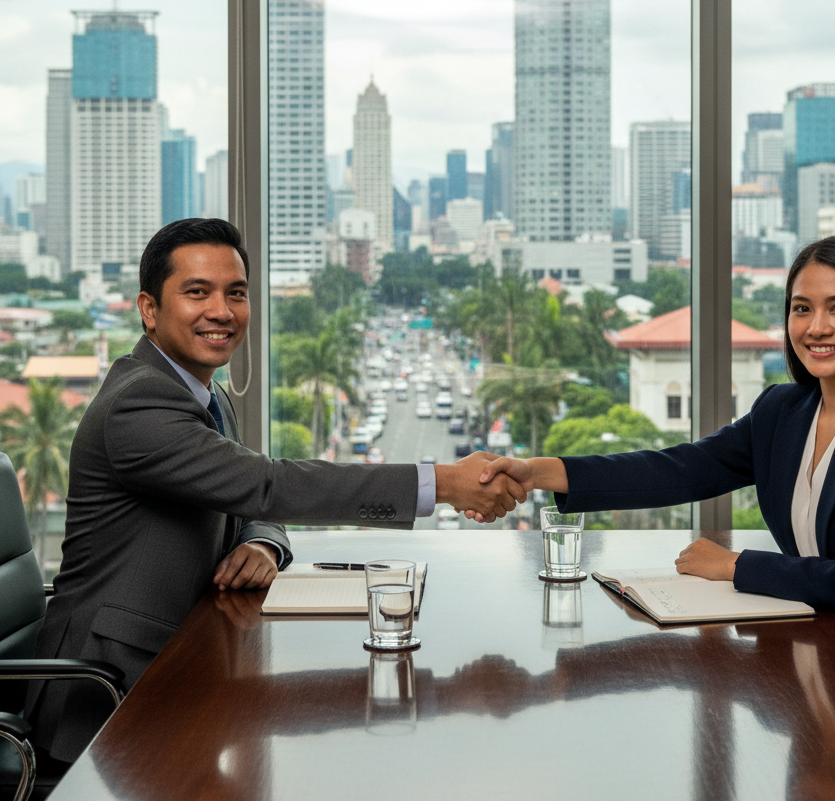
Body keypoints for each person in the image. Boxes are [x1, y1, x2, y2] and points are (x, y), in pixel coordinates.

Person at [29, 218, 525, 762]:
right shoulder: (139, 404)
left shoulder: (206, 394)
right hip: (107, 694)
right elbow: (268, 484)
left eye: (235, 294)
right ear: (149, 308)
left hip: (189, 660)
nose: (222, 311)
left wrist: (263, 543)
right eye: (197, 292)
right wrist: (445, 484)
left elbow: (250, 498)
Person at [473, 235, 835, 735]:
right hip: (825, 667)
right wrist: (539, 472)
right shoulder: (782, 412)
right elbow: (681, 468)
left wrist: (736, 566)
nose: (817, 327)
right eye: (801, 308)